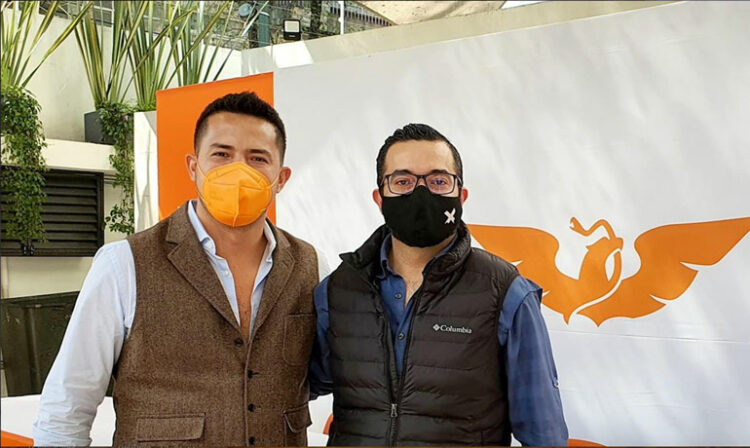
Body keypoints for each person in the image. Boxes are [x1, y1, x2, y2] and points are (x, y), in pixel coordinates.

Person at [34, 92, 325, 446]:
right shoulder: (124, 264)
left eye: (257, 158)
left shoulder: (310, 266)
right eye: (221, 154)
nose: (238, 170)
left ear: (281, 177)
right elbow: (67, 406)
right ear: (193, 167)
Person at [309, 123, 568, 446]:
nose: (421, 193)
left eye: (438, 181)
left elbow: (543, 433)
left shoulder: (505, 292)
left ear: (461, 195)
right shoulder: (338, 289)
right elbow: (296, 386)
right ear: (380, 198)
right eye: (402, 181)